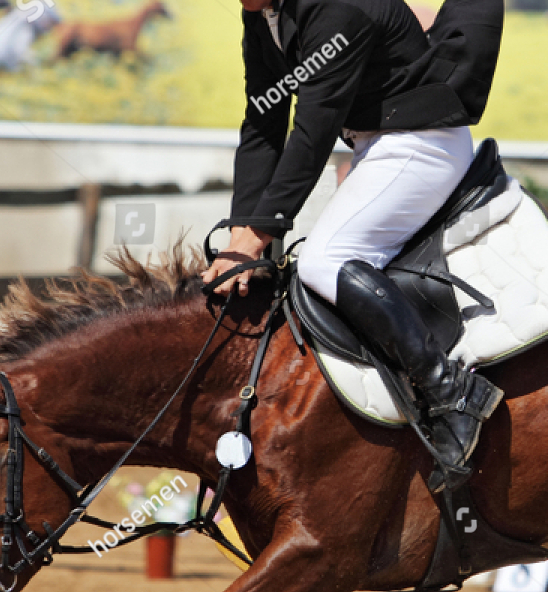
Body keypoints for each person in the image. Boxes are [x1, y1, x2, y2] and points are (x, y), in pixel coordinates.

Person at [203, 0, 504, 487]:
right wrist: (242, 228)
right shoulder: (261, 13)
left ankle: (454, 394)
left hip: (420, 144)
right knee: (297, 266)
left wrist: (257, 234)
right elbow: (263, 120)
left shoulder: (338, 7)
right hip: (376, 146)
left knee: (325, 260)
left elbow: (313, 130)